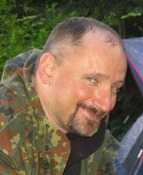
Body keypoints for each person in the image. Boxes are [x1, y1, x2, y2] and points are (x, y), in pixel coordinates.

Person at [0, 17, 127, 175]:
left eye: (115, 88)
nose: (107, 104)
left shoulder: (85, 119)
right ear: (49, 69)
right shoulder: (7, 134)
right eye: (93, 80)